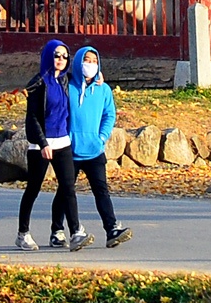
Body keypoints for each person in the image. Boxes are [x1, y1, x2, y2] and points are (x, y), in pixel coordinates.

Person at [18, 39, 86, 250]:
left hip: (63, 141)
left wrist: (97, 78)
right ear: (49, 56)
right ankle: (23, 234)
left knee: (68, 187)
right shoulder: (37, 83)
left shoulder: (66, 80)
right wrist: (43, 142)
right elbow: (33, 118)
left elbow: (84, 82)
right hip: (41, 145)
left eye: (65, 56)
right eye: (57, 55)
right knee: (33, 189)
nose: (61, 60)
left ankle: (75, 232)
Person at [66, 45, 131, 247]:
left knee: (101, 190)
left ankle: (111, 229)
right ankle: (58, 230)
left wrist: (101, 137)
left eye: (94, 61)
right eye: (87, 60)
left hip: (94, 150)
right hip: (69, 149)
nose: (90, 64)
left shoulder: (103, 89)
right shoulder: (67, 86)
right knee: (65, 191)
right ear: (78, 62)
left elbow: (109, 114)